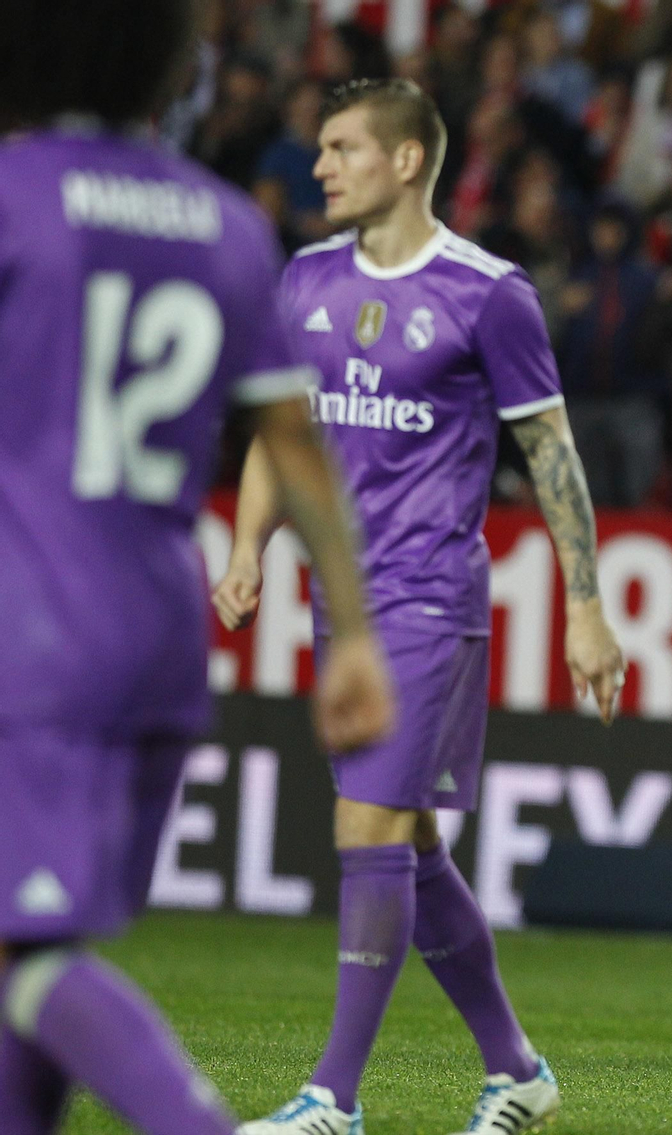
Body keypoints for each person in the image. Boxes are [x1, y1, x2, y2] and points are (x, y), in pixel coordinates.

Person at [0, 4, 395, 1134]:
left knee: (20, 959)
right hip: (158, 637)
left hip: (29, 630)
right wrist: (354, 634)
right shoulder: (222, 223)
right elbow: (293, 443)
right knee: (36, 946)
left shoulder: (14, 194)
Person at [213, 79, 624, 1135]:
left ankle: (331, 1099)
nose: (320, 166)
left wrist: (586, 603)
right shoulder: (301, 281)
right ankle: (518, 1068)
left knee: (367, 826)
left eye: (341, 145)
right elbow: (279, 432)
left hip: (431, 597)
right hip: (338, 606)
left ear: (405, 161)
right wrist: (250, 542)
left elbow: (550, 451)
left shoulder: (489, 293)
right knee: (415, 843)